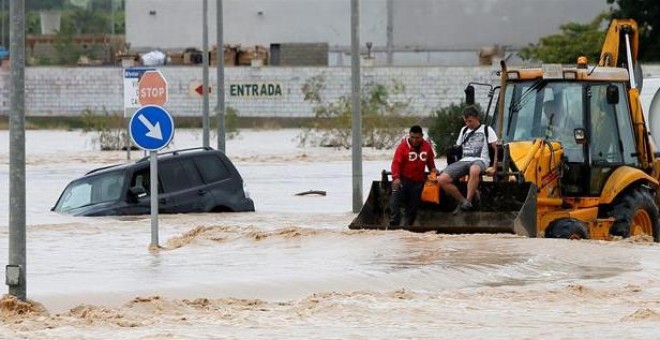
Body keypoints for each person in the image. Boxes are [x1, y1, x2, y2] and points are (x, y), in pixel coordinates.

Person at [438, 106, 498, 214]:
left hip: (480, 160)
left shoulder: (486, 129)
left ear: (477, 118)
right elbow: (458, 148)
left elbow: (496, 148)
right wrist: (448, 167)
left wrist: (494, 167)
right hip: (464, 160)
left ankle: (469, 199)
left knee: (474, 170)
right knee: (442, 179)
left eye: (470, 121)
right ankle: (464, 202)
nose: (468, 124)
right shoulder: (464, 130)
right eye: (466, 121)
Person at [389, 125, 439, 226]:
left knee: (413, 206)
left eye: (417, 138)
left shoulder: (427, 147)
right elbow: (396, 164)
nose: (414, 140)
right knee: (396, 193)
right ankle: (394, 220)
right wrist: (396, 178)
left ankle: (408, 225)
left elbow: (430, 164)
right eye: (412, 137)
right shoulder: (402, 147)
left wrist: (434, 171)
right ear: (409, 136)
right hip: (403, 180)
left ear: (422, 136)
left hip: (418, 182)